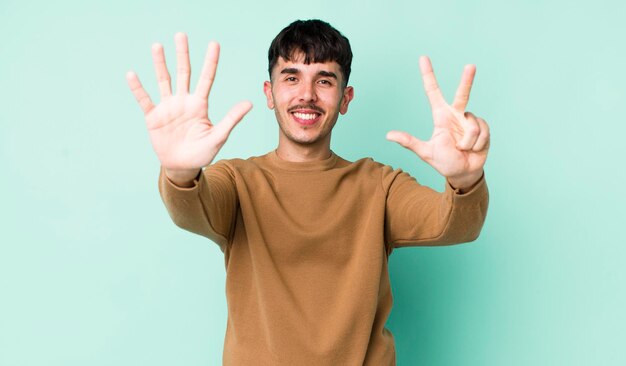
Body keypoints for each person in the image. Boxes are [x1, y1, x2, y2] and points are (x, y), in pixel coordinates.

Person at [127, 19, 489, 366]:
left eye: (325, 81)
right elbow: (192, 208)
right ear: (269, 93)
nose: (306, 95)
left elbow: (455, 224)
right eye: (291, 77)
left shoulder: (379, 185)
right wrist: (179, 169)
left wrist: (465, 179)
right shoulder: (238, 181)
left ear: (345, 99)